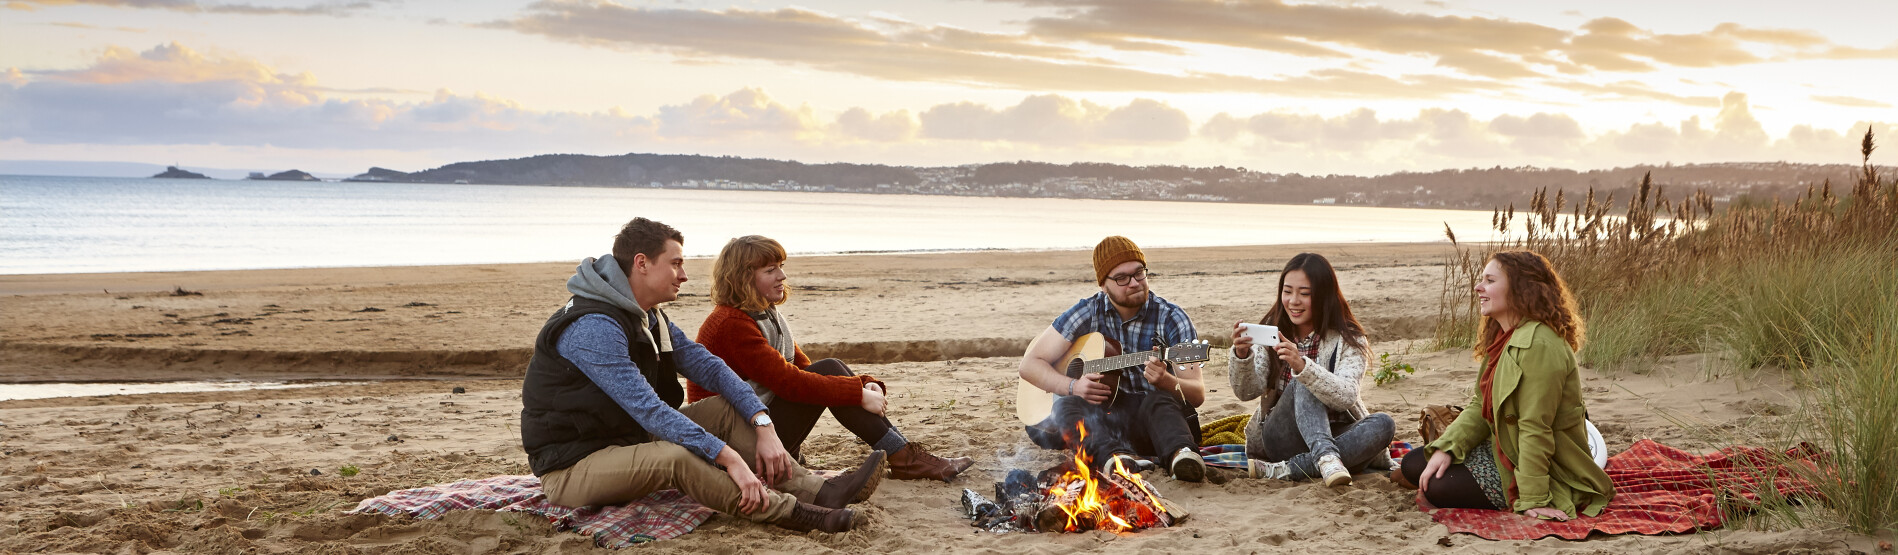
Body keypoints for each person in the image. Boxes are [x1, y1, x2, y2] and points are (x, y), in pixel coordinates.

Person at [519, 218, 886, 534]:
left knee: (728, 408)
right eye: (676, 263)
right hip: (574, 463)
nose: (684, 274)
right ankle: (794, 513)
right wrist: (728, 458)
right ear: (642, 263)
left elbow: (708, 365)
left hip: (627, 436)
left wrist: (763, 423)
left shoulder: (646, 314)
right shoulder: (595, 327)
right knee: (673, 457)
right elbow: (648, 409)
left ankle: (821, 493)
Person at [690, 235, 976, 481]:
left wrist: (864, 384)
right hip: (733, 447)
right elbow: (790, 382)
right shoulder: (731, 323)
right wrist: (856, 393)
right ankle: (905, 460)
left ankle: (905, 457)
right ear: (743, 277)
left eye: (781, 266)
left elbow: (803, 368)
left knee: (830, 367)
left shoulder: (763, 314)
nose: (782, 276)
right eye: (770, 269)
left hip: (757, 430)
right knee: (828, 369)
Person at [1399, 250, 1614, 521]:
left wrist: (1534, 498)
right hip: (1505, 446)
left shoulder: (1541, 345)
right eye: (1482, 280)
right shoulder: (1503, 336)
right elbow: (1480, 405)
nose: (1479, 287)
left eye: (1490, 280)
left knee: (1439, 487)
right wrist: (1448, 447)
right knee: (1414, 463)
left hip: (1548, 466)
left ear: (1521, 289)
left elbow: (1536, 427)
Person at [1018, 236, 1208, 481]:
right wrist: (1072, 386)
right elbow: (1030, 364)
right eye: (1122, 278)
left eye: (1139, 273)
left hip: (1151, 426)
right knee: (1064, 405)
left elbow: (1198, 394)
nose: (1134, 283)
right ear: (1103, 285)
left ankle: (1181, 458)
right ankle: (1114, 458)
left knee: (1158, 399)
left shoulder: (1172, 318)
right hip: (1101, 423)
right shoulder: (1088, 311)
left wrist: (1166, 381)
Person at [1228, 253, 1395, 487]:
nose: (1293, 301)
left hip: (1336, 432)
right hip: (1281, 437)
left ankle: (1290, 469)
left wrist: (1303, 366)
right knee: (1302, 381)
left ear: (1324, 295)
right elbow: (1245, 392)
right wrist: (1242, 356)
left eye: (1304, 294)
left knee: (1384, 424)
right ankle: (1326, 459)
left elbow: (1347, 396)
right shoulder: (1271, 332)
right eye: (1287, 292)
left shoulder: (1349, 338)